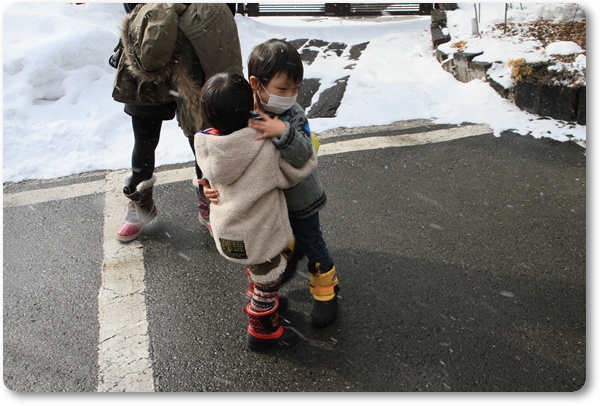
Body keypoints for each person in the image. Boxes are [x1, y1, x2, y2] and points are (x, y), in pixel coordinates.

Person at [201, 39, 340, 328]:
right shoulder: (241, 113)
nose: (289, 96)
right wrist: (206, 182)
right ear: (256, 84)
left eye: (295, 89)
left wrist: (283, 131)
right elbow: (220, 154)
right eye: (282, 89)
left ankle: (326, 292)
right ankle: (268, 294)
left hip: (300, 197)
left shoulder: (293, 115)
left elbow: (303, 156)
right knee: (268, 248)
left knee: (312, 242)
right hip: (266, 204)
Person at [194, 72, 317, 350]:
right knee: (268, 276)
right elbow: (294, 173)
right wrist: (309, 156)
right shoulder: (261, 147)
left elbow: (204, 176)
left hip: (227, 234)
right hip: (258, 235)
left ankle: (258, 296)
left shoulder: (205, 143)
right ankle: (262, 328)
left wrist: (202, 187)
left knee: (255, 269)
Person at [111, 3, 242, 242]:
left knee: (203, 137)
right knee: (144, 137)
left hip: (199, 37)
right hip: (152, 36)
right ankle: (142, 206)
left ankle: (209, 206)